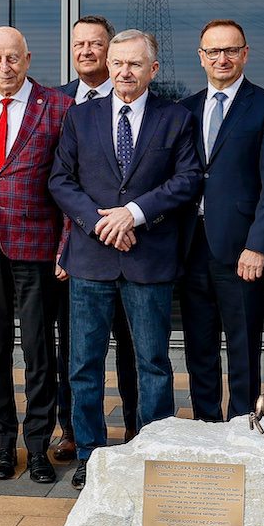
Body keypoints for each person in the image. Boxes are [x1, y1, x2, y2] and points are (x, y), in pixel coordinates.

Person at [49, 29, 201, 490]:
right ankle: (91, 454)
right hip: (91, 259)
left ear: (153, 69)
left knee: (153, 362)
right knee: (83, 364)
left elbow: (188, 179)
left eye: (134, 64)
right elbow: (60, 180)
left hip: (148, 258)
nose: (123, 72)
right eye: (117, 63)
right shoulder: (80, 116)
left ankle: (153, 451)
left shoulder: (175, 118)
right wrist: (101, 224)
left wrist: (132, 214)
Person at [0, 26, 71, 484]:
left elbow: (70, 182)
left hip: (37, 247)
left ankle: (39, 447)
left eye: (13, 58)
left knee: (39, 352)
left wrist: (66, 246)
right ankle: (3, 444)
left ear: (28, 59)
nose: (5, 67)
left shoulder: (59, 107)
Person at [178, 19, 264, 421]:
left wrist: (258, 246)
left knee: (243, 348)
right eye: (213, 51)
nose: (221, 58)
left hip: (242, 250)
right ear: (201, 57)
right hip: (190, 246)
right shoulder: (185, 109)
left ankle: (242, 426)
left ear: (245, 54)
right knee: (199, 347)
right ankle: (207, 426)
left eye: (230, 50)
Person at [53, 15, 139, 459]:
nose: (86, 51)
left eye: (96, 44)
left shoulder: (142, 101)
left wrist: (123, 222)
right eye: (79, 44)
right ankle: (73, 431)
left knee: (135, 351)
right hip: (76, 251)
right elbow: (57, 181)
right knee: (76, 352)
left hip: (134, 247)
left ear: (112, 51)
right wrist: (75, 237)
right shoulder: (57, 103)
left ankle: (136, 433)